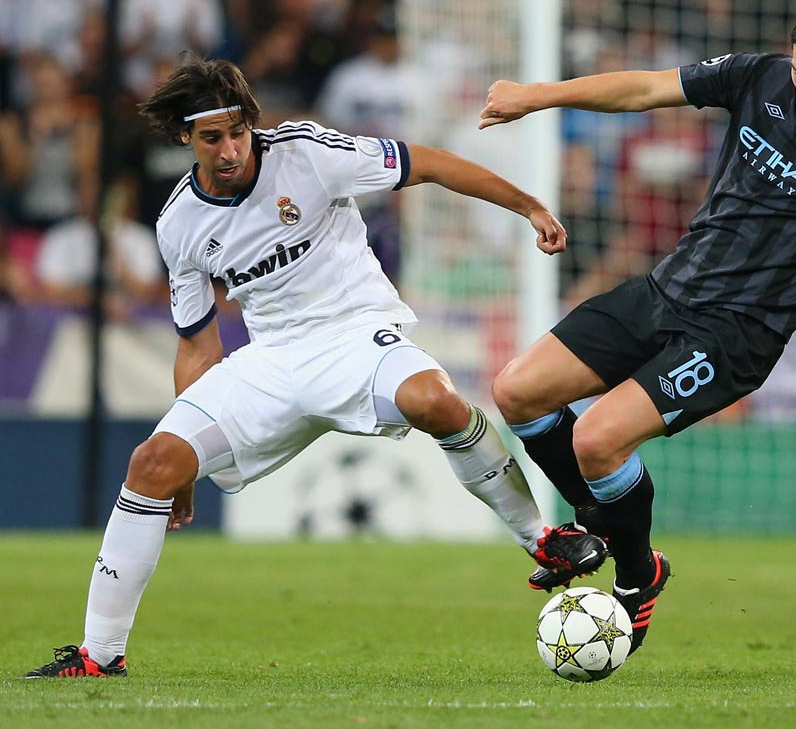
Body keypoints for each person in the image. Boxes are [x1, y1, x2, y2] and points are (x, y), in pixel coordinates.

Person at [24, 56, 606, 678]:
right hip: (271, 359)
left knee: (436, 400)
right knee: (151, 463)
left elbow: (429, 163)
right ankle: (98, 655)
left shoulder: (306, 152)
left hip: (357, 333)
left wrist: (531, 208)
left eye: (237, 131)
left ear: (251, 123)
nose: (229, 150)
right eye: (211, 137)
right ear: (184, 138)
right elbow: (196, 345)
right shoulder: (179, 224)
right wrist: (186, 472)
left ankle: (542, 540)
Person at [479, 0, 796, 656]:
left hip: (737, 333)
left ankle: (635, 576)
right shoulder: (758, 77)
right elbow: (646, 90)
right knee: (517, 391)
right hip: (666, 291)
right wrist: (537, 95)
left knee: (597, 438)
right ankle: (600, 525)